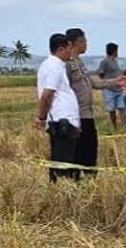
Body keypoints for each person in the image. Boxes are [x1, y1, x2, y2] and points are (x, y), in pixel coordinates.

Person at [65, 28, 123, 177]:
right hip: (77, 116)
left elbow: (93, 83)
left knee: (91, 149)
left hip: (87, 114)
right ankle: (77, 180)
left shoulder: (79, 63)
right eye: (84, 41)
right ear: (74, 43)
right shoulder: (67, 65)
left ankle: (89, 179)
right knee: (80, 150)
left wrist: (115, 82)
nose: (86, 44)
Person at [34, 33, 81, 182]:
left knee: (65, 160)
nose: (70, 51)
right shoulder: (54, 67)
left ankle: (61, 189)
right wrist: (41, 118)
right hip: (61, 123)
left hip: (65, 122)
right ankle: (60, 192)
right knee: (62, 162)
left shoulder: (55, 65)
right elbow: (47, 95)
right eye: (69, 48)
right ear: (61, 49)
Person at [98, 42, 125, 132]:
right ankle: (114, 128)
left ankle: (123, 126)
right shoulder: (104, 61)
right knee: (112, 109)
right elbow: (100, 73)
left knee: (122, 107)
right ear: (114, 51)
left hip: (119, 88)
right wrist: (109, 81)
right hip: (109, 89)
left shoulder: (116, 61)